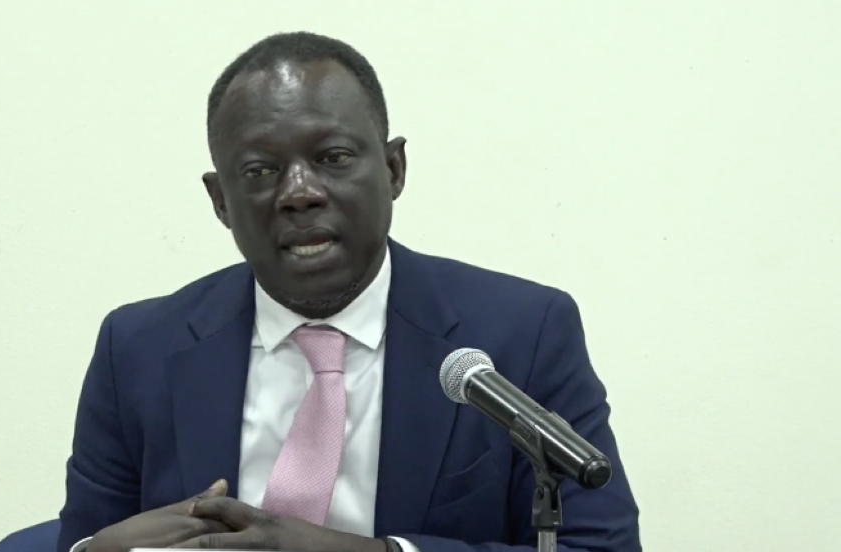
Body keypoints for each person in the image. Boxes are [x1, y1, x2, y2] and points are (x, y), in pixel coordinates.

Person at [57, 31, 641, 552]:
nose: (299, 193)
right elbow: (85, 537)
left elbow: (599, 546)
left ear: (393, 170)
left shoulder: (521, 334)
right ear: (220, 201)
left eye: (332, 158)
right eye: (260, 170)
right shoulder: (137, 348)